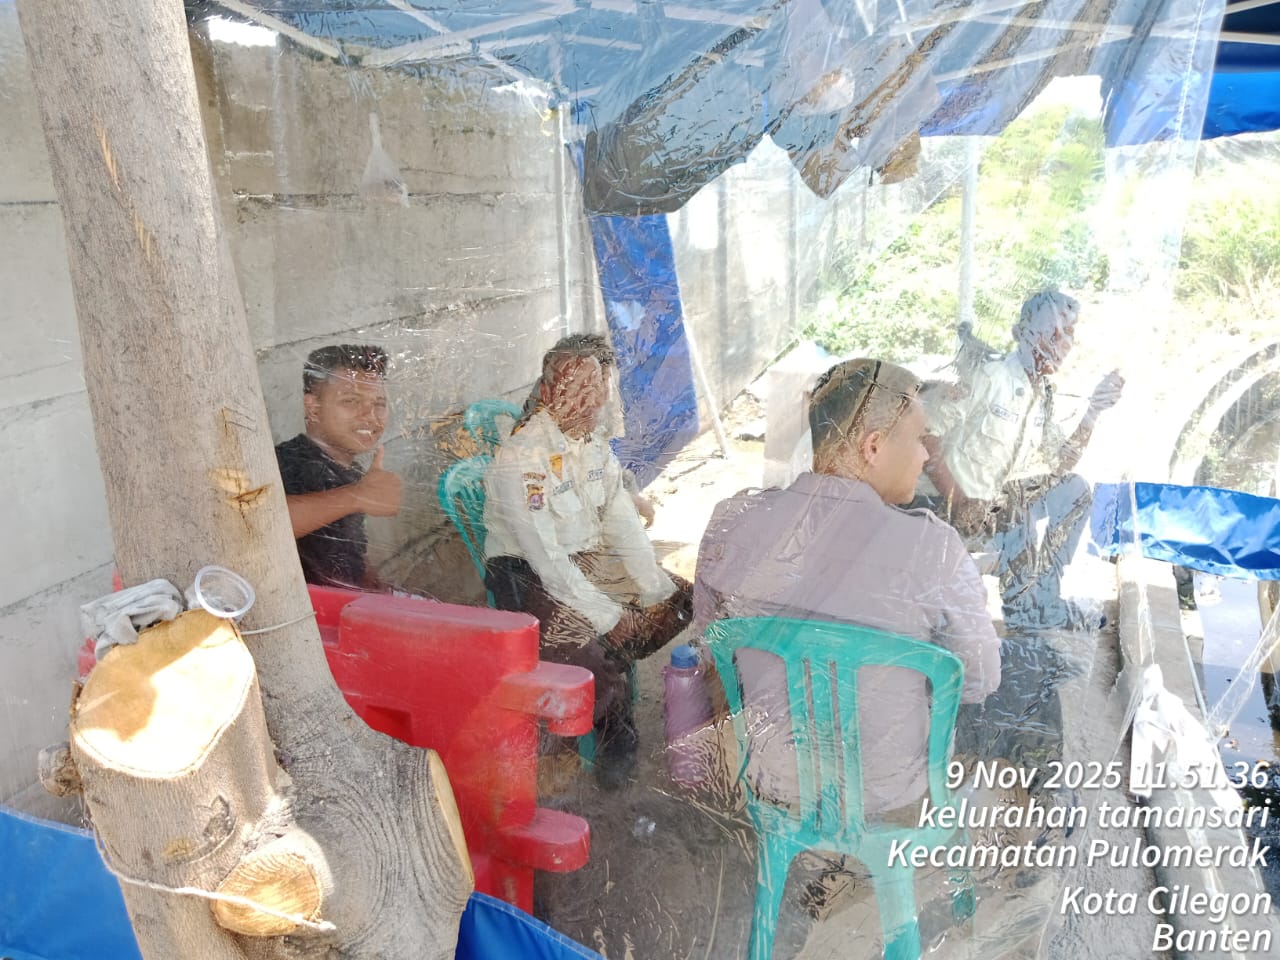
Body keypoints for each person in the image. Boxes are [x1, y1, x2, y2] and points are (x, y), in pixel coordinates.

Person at [694, 357, 1002, 819]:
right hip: (886, 792)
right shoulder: (932, 548)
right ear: (872, 446)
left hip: (770, 776)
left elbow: (708, 646)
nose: (926, 456)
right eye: (920, 439)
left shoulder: (732, 522)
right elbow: (981, 680)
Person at [484, 342, 693, 787]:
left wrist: (653, 588)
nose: (591, 398)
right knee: (589, 647)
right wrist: (608, 615)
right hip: (526, 572)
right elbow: (546, 558)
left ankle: (608, 671)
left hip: (583, 558)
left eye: (597, 386)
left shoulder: (593, 444)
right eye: (575, 386)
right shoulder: (524, 457)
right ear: (546, 393)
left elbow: (621, 522)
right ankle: (612, 733)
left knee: (680, 601)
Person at [918, 290, 1124, 630]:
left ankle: (1043, 601)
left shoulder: (1041, 395)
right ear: (1023, 333)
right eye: (1052, 333)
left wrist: (1093, 411)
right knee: (1019, 510)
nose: (1062, 344)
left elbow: (1061, 464)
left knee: (1073, 489)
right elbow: (926, 432)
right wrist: (958, 500)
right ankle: (1025, 608)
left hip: (992, 508)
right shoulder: (990, 376)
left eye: (1068, 334)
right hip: (945, 504)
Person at [275, 344, 402, 589]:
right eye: (351, 401)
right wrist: (359, 496)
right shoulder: (288, 462)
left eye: (379, 403)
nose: (370, 415)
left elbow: (347, 553)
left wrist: (377, 589)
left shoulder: (352, 472)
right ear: (313, 408)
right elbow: (265, 525)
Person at [519, 332, 656, 526]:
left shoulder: (569, 404)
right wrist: (631, 502)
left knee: (624, 478)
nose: (604, 391)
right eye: (602, 380)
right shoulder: (553, 420)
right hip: (565, 515)